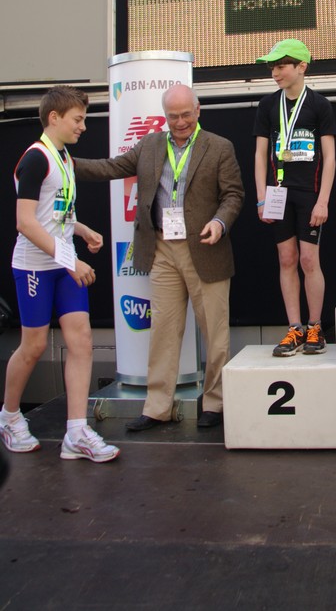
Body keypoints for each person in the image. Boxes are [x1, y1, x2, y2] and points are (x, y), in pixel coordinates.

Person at [74, 84, 244, 431]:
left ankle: (216, 402)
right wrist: (65, 162)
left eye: (185, 115)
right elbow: (111, 167)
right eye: (173, 116)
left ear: (198, 111)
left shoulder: (219, 147)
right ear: (165, 116)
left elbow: (233, 195)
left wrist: (219, 222)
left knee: (215, 332)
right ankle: (157, 407)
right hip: (162, 248)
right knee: (163, 330)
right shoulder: (150, 144)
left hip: (205, 248)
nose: (180, 122)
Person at [0, 85, 119, 463]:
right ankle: (9, 417)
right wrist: (70, 260)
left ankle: (76, 431)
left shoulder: (65, 157)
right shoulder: (36, 159)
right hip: (35, 267)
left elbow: (55, 214)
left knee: (81, 340)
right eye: (78, 120)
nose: (83, 126)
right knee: (33, 345)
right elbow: (25, 223)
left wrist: (82, 230)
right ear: (54, 118)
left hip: (64, 262)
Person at [254, 39, 336, 357]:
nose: (275, 73)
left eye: (281, 66)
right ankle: (295, 328)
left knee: (308, 260)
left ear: (301, 67)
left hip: (309, 194)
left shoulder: (319, 105)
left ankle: (315, 326)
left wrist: (323, 200)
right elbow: (260, 155)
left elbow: (330, 158)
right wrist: (261, 197)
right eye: (272, 67)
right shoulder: (267, 106)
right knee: (286, 259)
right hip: (278, 194)